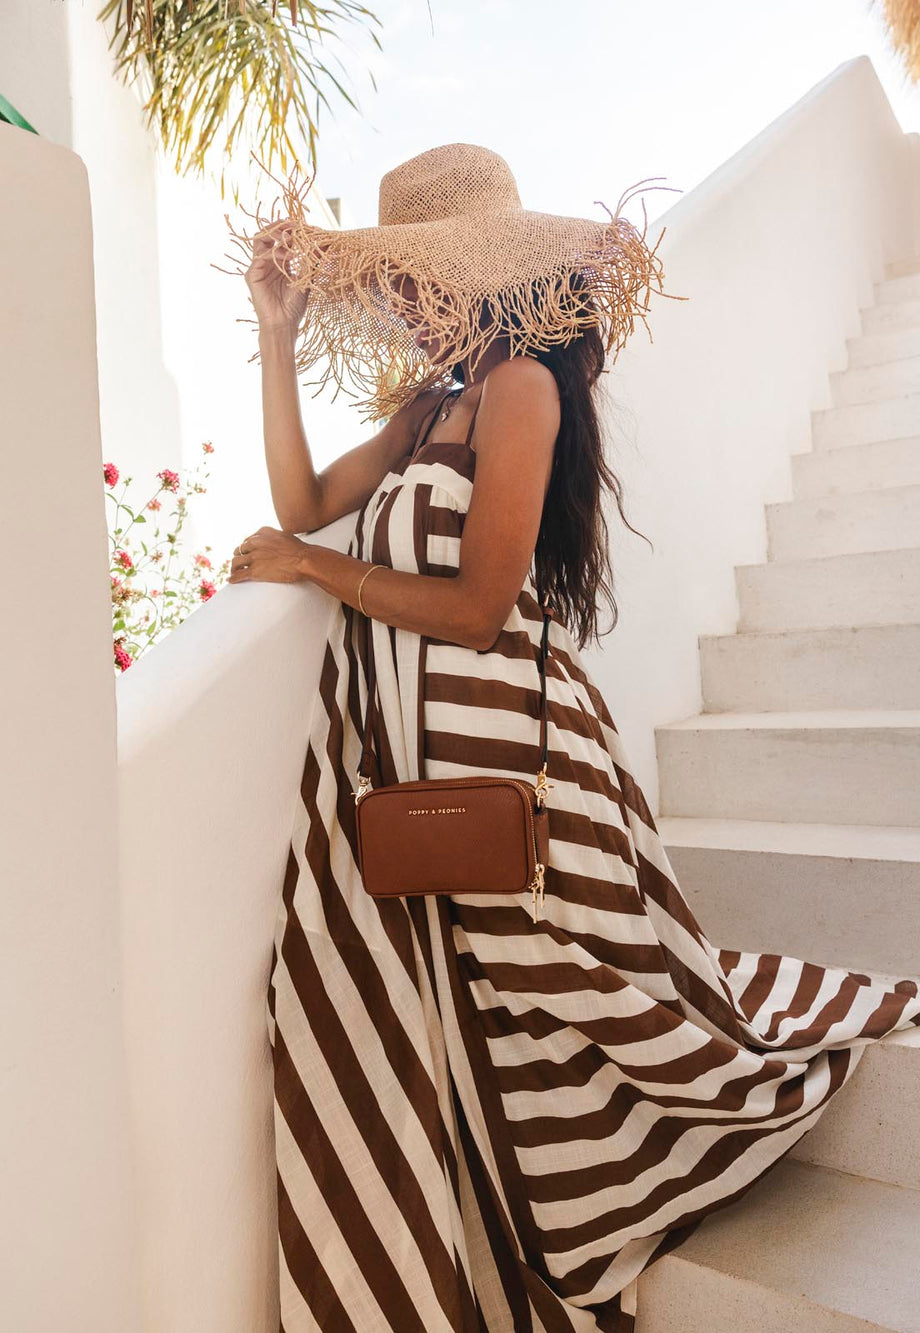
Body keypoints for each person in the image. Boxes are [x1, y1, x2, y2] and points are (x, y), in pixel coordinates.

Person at [224, 143, 920, 1332]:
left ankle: (602, 1202)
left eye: (418, 274)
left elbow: (479, 604)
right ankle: (509, 1233)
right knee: (455, 1007)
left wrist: (311, 571)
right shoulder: (429, 404)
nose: (401, 298)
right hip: (408, 749)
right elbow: (299, 501)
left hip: (509, 752)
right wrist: (278, 331)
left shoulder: (523, 391)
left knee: (570, 997)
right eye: (391, 278)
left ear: (480, 274)